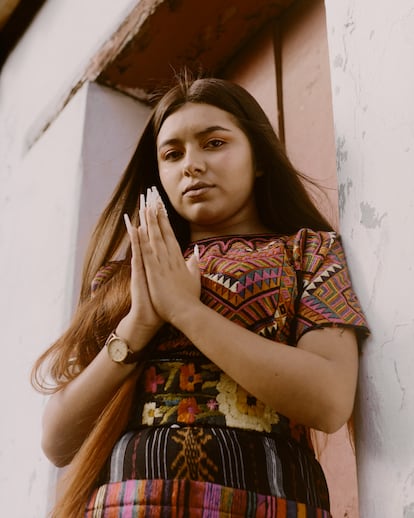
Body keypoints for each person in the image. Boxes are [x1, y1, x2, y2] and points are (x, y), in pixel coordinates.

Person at [32, 73, 369, 518]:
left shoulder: (309, 254)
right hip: (126, 504)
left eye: (214, 143)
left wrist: (186, 311)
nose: (191, 164)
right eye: (173, 154)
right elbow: (57, 442)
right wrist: (138, 325)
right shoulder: (125, 278)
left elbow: (329, 399)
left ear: (259, 157)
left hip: (269, 497)